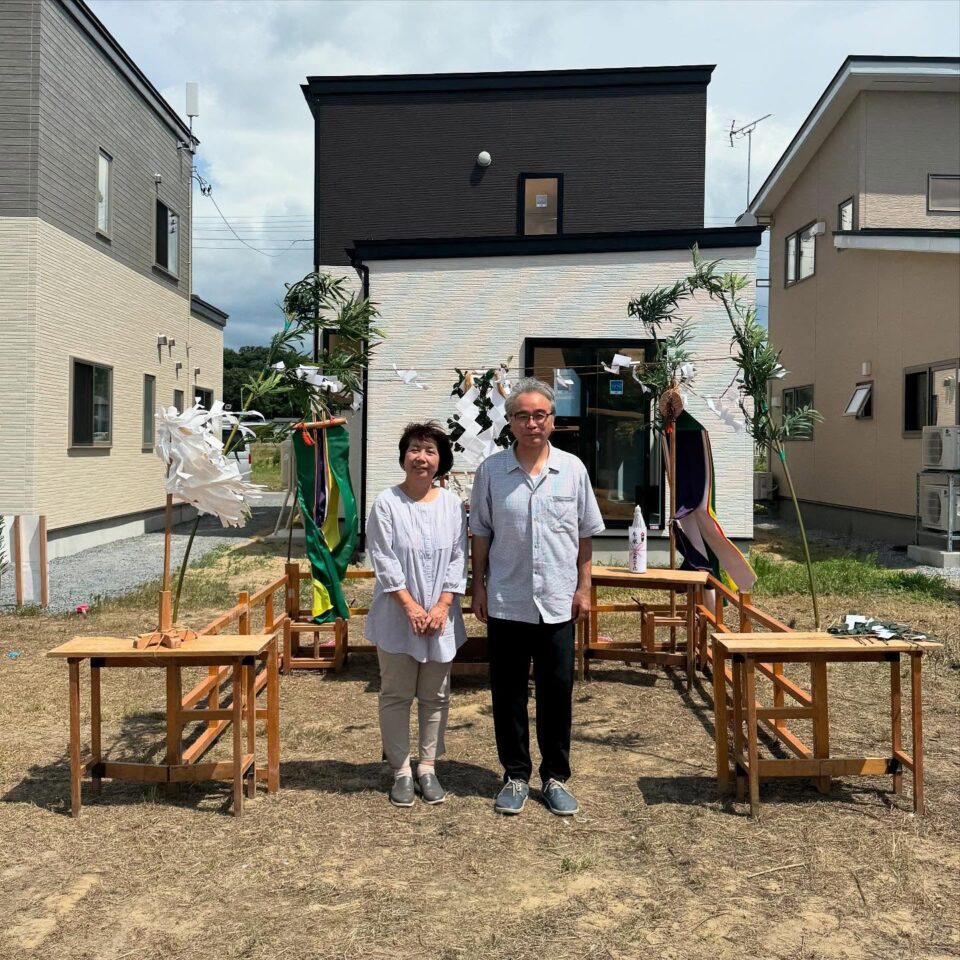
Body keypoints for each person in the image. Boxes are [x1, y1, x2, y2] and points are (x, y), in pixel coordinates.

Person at [470, 378, 604, 816]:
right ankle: (514, 775)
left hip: (558, 600)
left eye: (539, 415)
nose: (531, 423)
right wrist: (479, 586)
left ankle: (555, 776)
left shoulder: (573, 469)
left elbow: (584, 535)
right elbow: (481, 534)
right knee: (507, 692)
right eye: (522, 416)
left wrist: (584, 587)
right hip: (508, 599)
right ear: (509, 422)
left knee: (556, 691)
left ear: (552, 420)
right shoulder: (490, 471)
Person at [365, 422, 468, 807]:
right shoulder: (387, 503)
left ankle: (427, 765)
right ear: (403, 456)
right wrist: (410, 606)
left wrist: (442, 606)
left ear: (440, 461)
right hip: (397, 613)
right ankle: (401, 770)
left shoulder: (452, 505)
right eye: (414, 449)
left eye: (429, 451)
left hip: (441, 617)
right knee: (395, 693)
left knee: (435, 695)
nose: (421, 457)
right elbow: (384, 559)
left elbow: (459, 558)